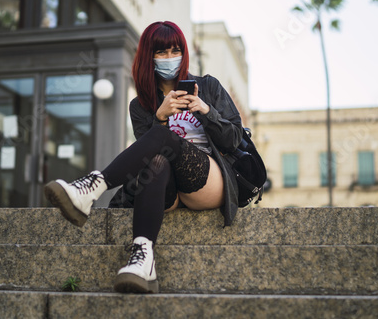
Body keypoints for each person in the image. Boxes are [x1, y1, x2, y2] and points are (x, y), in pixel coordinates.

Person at [44, 21, 243, 294]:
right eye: (161, 52)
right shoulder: (140, 106)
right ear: (148, 57)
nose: (169, 58)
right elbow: (144, 154)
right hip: (166, 190)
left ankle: (91, 188)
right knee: (156, 161)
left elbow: (234, 139)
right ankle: (143, 259)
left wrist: (206, 111)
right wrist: (159, 117)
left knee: (163, 139)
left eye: (175, 50)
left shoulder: (207, 86)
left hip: (208, 182)